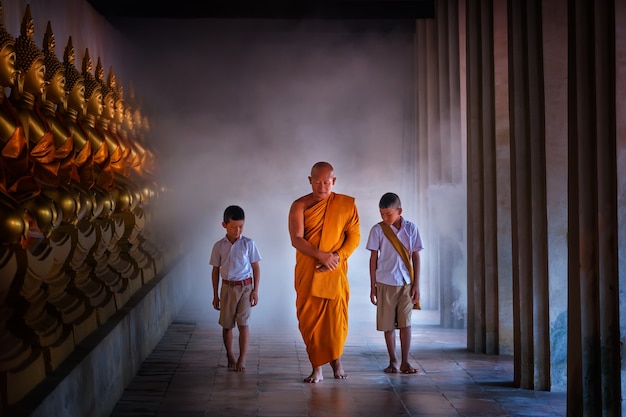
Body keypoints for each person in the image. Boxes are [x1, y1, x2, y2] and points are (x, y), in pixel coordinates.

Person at [288, 161, 360, 383]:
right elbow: (296, 239)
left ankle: (337, 363)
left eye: (327, 182)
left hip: (334, 270)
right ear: (310, 181)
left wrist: (337, 256)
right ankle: (317, 368)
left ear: (334, 181)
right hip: (310, 270)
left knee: (335, 321)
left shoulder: (345, 205)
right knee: (311, 320)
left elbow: (354, 236)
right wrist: (321, 255)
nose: (322, 187)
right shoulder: (299, 206)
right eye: (317, 182)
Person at [366, 192, 423, 374]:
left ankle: (406, 361)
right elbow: (373, 258)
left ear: (399, 211)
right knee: (388, 325)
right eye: (382, 214)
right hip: (385, 281)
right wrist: (372, 286)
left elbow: (416, 257)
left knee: (405, 323)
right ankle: (393, 361)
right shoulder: (377, 230)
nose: (384, 218)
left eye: (388, 214)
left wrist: (416, 285)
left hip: (406, 283)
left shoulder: (411, 229)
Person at [210, 205, 261, 372]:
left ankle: (242, 358)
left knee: (244, 323)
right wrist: (215, 295)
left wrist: (255, 290)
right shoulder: (219, 246)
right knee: (227, 325)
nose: (237, 230)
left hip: (246, 287)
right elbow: (215, 270)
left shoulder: (248, 243)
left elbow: (256, 268)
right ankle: (230, 354)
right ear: (224, 225)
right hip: (227, 287)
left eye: (241, 226)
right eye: (233, 227)